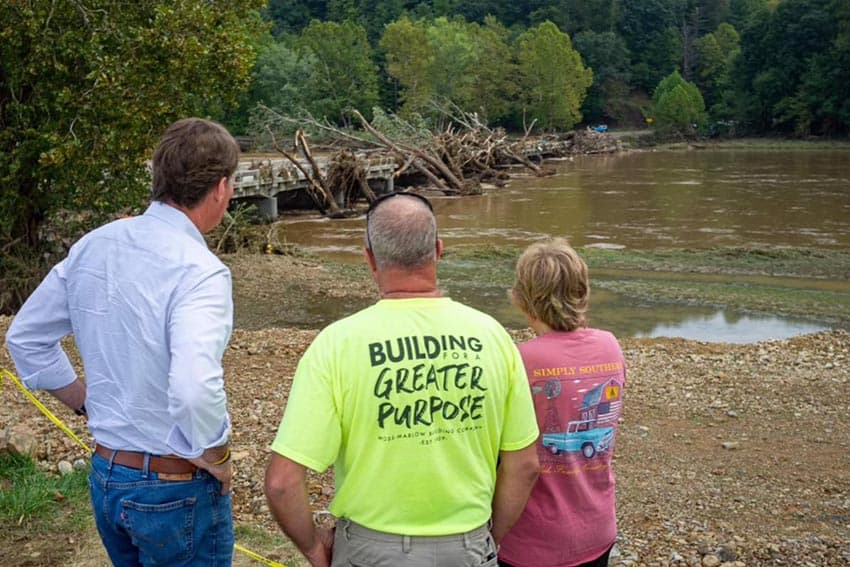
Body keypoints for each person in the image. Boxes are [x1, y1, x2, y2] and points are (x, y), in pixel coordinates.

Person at [5, 117, 240, 566]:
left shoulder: (95, 244)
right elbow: (195, 386)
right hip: (176, 485)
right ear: (221, 188)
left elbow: (26, 337)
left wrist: (85, 403)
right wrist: (218, 453)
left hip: (108, 473)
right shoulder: (201, 270)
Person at [264, 191, 541, 567]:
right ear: (439, 251)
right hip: (467, 545)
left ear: (369, 258)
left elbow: (282, 483)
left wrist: (315, 548)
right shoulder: (493, 337)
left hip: (368, 551)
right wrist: (488, 539)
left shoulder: (337, 343)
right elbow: (524, 466)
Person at [497, 238, 626, 567]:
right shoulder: (610, 347)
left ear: (523, 298)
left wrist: (492, 534)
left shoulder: (520, 360)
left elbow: (518, 463)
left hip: (533, 541)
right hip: (597, 529)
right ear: (583, 290)